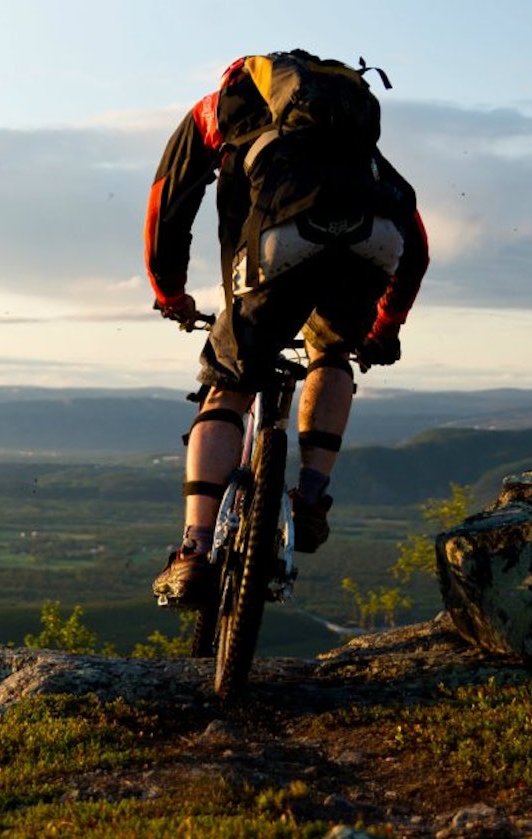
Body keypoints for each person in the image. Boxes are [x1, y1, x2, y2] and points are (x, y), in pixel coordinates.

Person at [143, 50, 430, 607]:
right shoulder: (350, 140)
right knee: (332, 353)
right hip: (372, 242)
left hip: (280, 246)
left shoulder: (217, 109)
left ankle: (196, 551)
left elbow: (168, 203)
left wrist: (170, 294)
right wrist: (386, 325)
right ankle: (311, 500)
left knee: (228, 381)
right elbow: (413, 237)